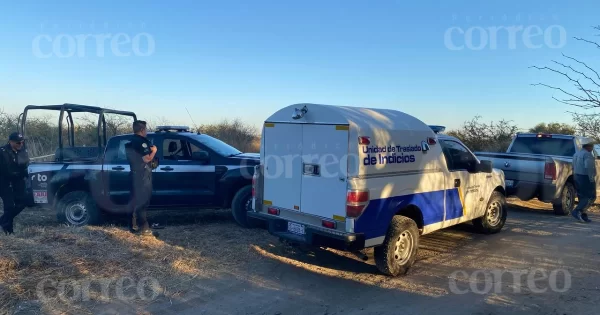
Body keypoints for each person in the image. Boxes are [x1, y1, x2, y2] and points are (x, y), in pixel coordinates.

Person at [124, 120, 158, 236]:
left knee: (133, 200)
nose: (147, 131)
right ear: (142, 130)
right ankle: (144, 228)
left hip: (134, 174)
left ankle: (133, 226)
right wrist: (154, 151)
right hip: (142, 175)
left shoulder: (131, 141)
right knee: (143, 201)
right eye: (146, 129)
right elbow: (147, 159)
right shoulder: (141, 142)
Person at [0, 132, 30, 235]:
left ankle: (3, 221)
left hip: (19, 181)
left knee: (23, 202)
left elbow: (25, 165)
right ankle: (8, 230)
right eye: (18, 143)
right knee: (9, 206)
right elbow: (6, 170)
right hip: (5, 182)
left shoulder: (23, 151)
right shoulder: (2, 152)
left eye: (22, 142)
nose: (21, 144)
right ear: (11, 142)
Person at [572, 141, 596, 223]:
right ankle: (578, 211)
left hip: (577, 176)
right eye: (592, 146)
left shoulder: (576, 154)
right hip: (585, 177)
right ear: (589, 146)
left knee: (582, 196)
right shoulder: (587, 154)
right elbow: (589, 167)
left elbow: (573, 166)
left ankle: (583, 215)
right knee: (590, 196)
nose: (592, 148)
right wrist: (591, 178)